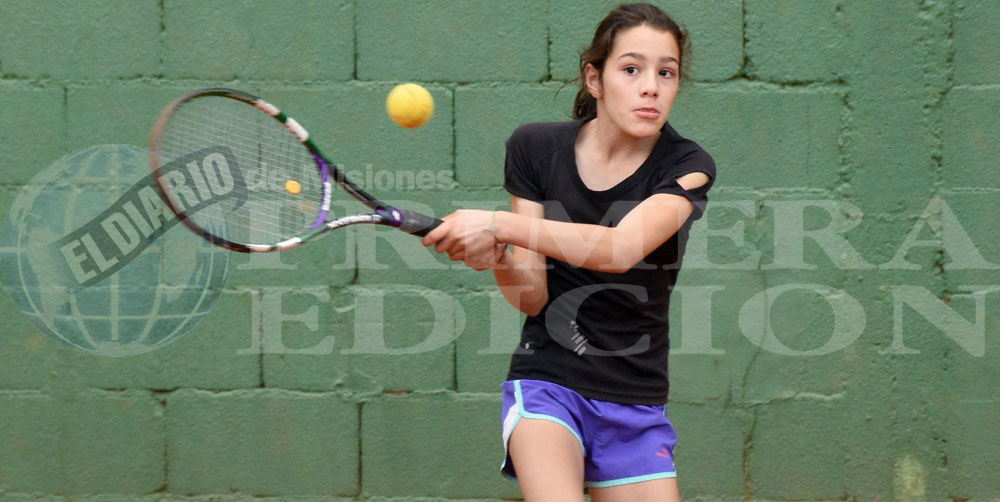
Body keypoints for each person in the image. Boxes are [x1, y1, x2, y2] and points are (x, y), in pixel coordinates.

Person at [422, 3, 715, 501]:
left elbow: (621, 248)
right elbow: (533, 296)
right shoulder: (534, 148)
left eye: (666, 73)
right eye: (631, 69)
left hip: (635, 397)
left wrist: (497, 224)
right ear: (594, 78)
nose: (651, 86)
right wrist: (499, 256)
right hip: (549, 381)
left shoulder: (687, 164)